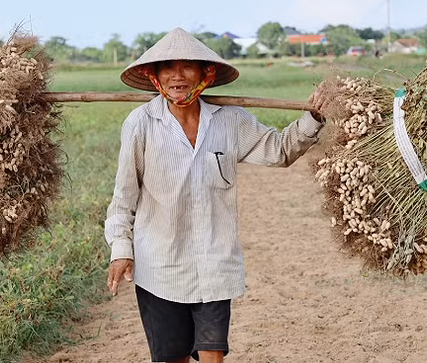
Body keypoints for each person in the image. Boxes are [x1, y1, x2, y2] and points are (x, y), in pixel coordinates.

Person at [104, 27, 330, 363]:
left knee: (213, 354)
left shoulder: (229, 121)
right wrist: (121, 250)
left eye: (187, 67)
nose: (177, 76)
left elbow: (279, 150)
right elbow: (124, 196)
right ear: (155, 76)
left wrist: (314, 117)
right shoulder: (141, 124)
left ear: (205, 74)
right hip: (160, 267)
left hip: (214, 264)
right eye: (168, 68)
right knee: (173, 358)